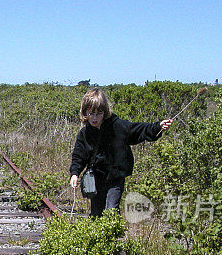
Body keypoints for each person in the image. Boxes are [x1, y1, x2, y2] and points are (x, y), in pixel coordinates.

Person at [69, 88, 174, 216]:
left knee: (111, 211)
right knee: (96, 213)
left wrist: (158, 127)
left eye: (99, 113)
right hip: (96, 179)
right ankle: (97, 236)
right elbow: (79, 155)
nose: (94, 118)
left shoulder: (118, 126)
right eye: (91, 113)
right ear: (85, 113)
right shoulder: (84, 134)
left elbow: (140, 130)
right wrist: (75, 173)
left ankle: (111, 235)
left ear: (105, 112)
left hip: (115, 178)